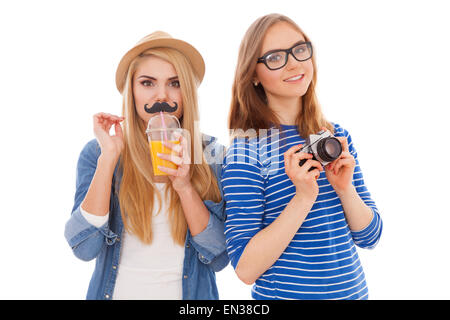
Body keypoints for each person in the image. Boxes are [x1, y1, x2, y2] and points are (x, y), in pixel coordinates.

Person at [222, 13, 383, 300]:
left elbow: (370, 236)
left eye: (299, 49)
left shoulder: (334, 135)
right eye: (274, 57)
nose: (294, 63)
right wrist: (303, 197)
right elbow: (245, 269)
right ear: (253, 76)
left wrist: (345, 190)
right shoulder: (245, 152)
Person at [64, 31, 228, 300]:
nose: (161, 96)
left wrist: (185, 188)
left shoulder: (213, 156)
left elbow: (220, 256)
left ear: (187, 91)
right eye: (148, 83)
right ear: (132, 90)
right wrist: (108, 160)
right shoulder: (99, 153)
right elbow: (84, 247)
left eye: (174, 83)